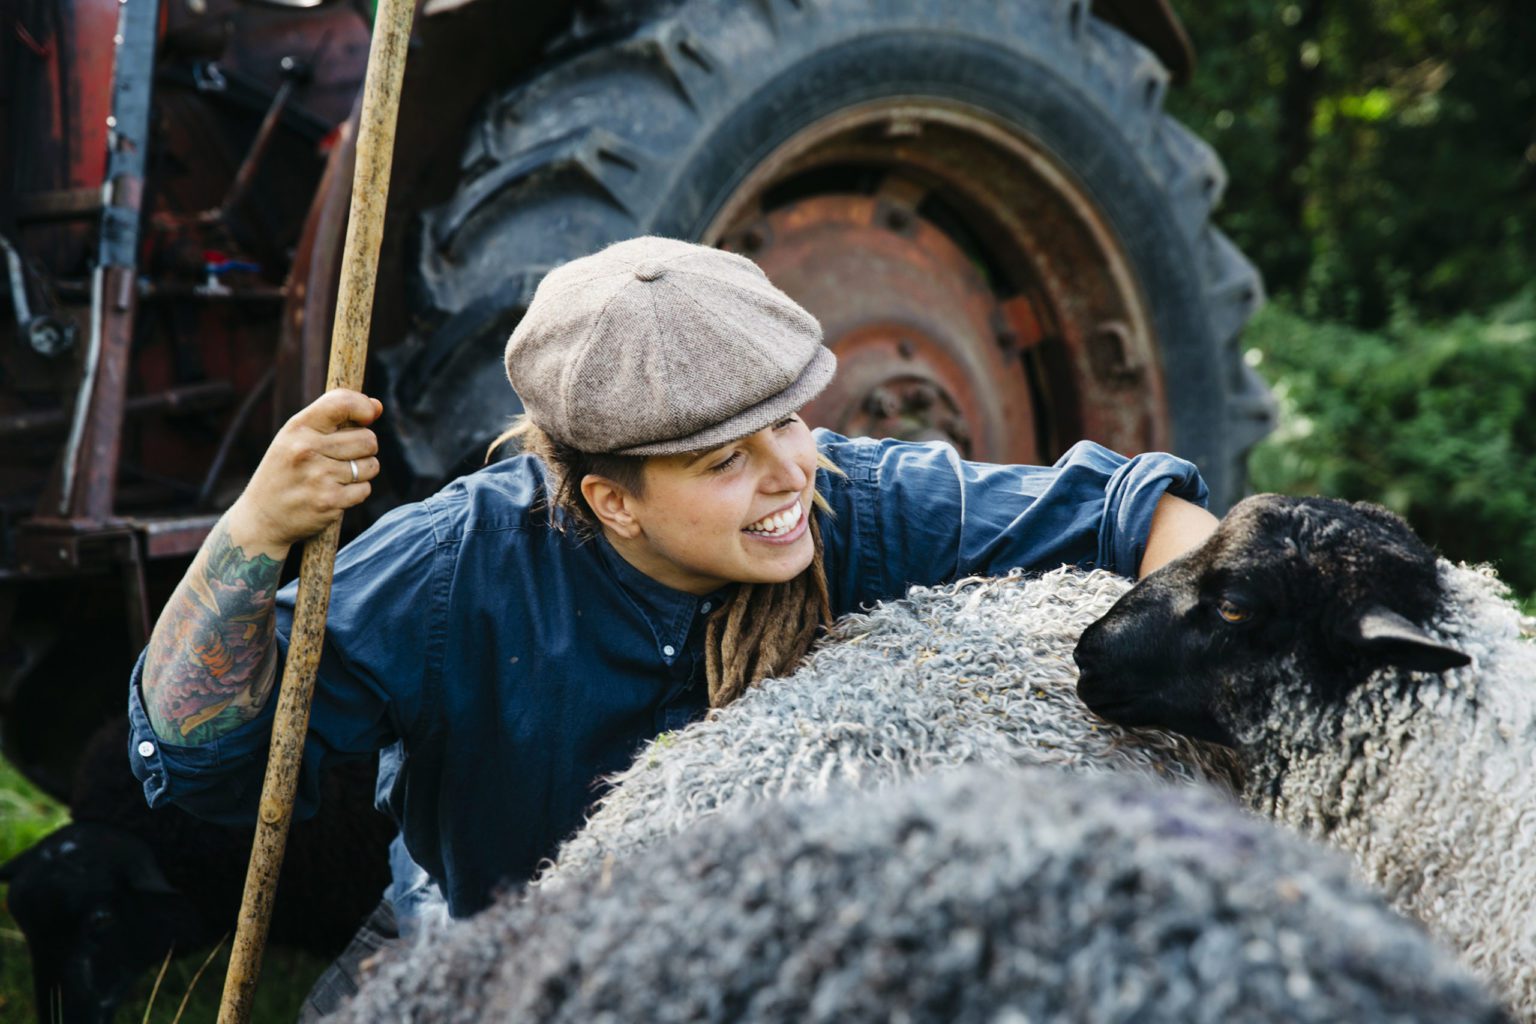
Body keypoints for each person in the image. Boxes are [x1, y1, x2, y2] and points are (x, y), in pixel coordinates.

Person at [129, 236, 1216, 1006]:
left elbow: (1140, 519)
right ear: (611, 500)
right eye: (723, 460)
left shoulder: (848, 499)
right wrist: (254, 531)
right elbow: (210, 767)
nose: (789, 471)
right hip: (495, 958)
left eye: (788, 418)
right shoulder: (447, 571)